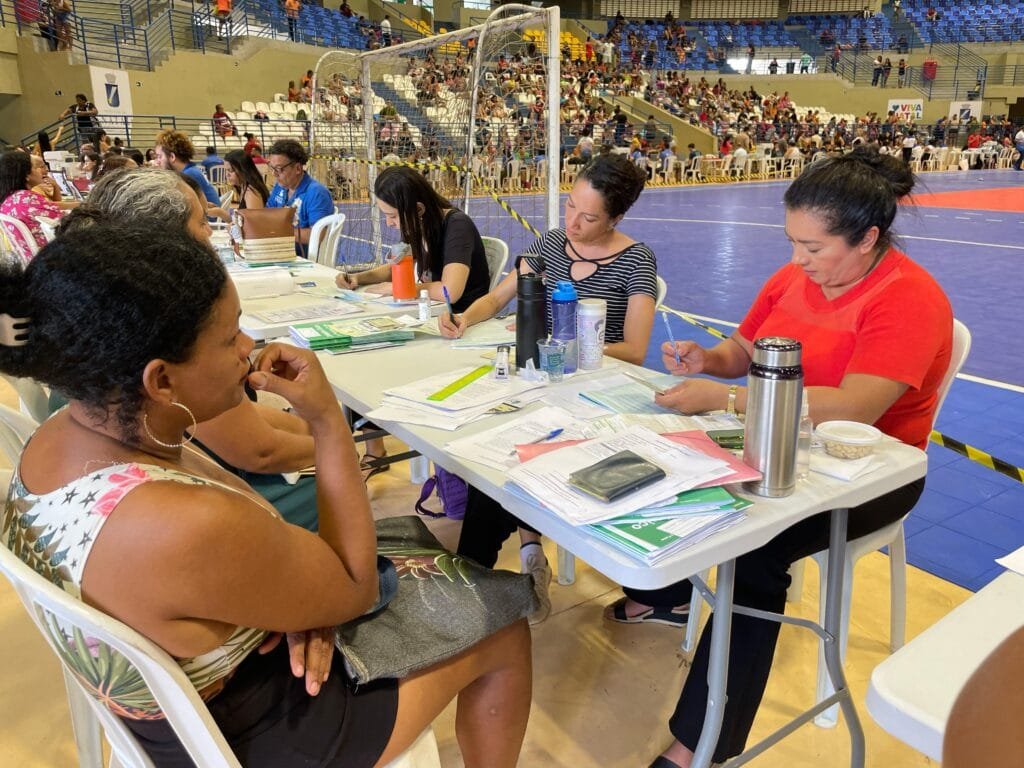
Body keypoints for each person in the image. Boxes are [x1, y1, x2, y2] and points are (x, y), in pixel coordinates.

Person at [0, 218, 533, 768]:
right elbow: (354, 588)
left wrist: (298, 606)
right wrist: (327, 420)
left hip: (180, 713)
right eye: (230, 336)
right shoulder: (179, 522)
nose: (248, 347)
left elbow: (247, 539)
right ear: (160, 381)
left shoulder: (61, 435)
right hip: (256, 730)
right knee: (503, 626)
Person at [614, 148, 952, 768]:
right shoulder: (795, 278)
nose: (799, 259)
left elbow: (856, 407)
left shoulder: (909, 298)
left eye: (815, 247)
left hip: (870, 473)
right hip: (783, 444)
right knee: (660, 472)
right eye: (793, 241)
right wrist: (707, 361)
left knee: (756, 550)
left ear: (868, 238)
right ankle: (657, 594)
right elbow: (743, 347)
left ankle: (702, 745)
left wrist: (732, 397)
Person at [439, 154, 658, 624]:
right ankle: (496, 565)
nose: (573, 223)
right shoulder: (552, 244)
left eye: (589, 216)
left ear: (617, 217)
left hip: (597, 397)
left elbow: (636, 349)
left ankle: (476, 575)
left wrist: (561, 341)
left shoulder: (635, 260)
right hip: (542, 386)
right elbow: (498, 297)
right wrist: (463, 317)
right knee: (489, 455)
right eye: (569, 207)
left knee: (505, 467)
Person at [334, 165, 492, 470]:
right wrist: (361, 277)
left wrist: (401, 288)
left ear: (417, 209)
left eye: (393, 216)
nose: (390, 224)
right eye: (386, 216)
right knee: (363, 353)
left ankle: (378, 446)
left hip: (459, 326)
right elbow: (399, 265)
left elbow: (451, 290)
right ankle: (374, 448)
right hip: (428, 319)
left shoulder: (455, 225)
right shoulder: (421, 225)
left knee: (372, 360)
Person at [265, 138, 334, 257]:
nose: (274, 174)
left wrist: (279, 231)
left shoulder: (316, 193)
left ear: (298, 168)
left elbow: (317, 235)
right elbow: (267, 215)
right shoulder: (280, 187)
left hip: (305, 260)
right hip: (281, 253)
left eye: (279, 169)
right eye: (272, 168)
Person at [0, 150, 65, 259]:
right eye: (35, 168)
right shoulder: (29, 199)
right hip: (53, 257)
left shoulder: (8, 199)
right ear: (26, 175)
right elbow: (66, 223)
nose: (42, 171)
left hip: (30, 259)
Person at [153, 128, 221, 209]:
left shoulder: (188, 175)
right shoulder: (191, 170)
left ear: (172, 157)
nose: (157, 161)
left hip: (208, 219)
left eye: (159, 156)